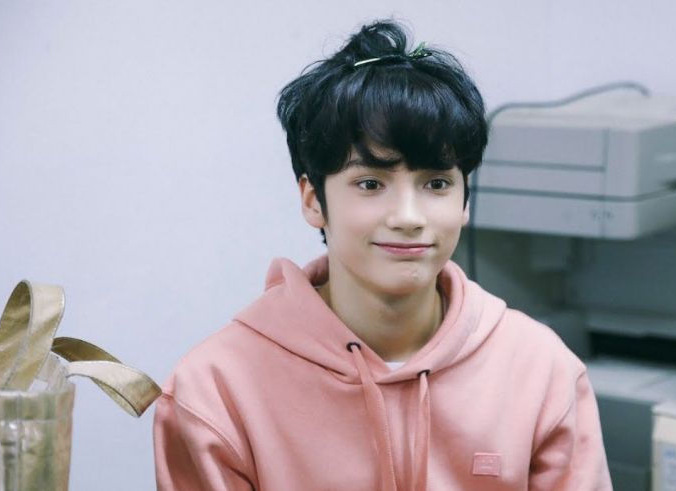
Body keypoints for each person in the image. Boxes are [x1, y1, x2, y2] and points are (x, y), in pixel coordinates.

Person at [153, 20, 611, 491]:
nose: (409, 216)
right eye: (371, 183)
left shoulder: (541, 369)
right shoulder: (215, 388)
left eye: (436, 183)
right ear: (313, 200)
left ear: (465, 200)